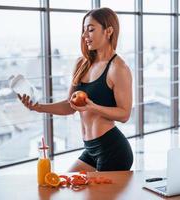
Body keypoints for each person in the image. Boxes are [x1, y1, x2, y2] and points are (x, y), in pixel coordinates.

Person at [18, 7, 133, 172]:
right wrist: (38, 107)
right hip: (91, 149)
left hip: (113, 150)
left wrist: (92, 106)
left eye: (91, 30)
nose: (85, 35)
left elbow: (124, 114)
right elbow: (69, 106)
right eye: (84, 30)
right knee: (66, 186)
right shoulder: (82, 63)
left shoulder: (118, 68)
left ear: (108, 31)